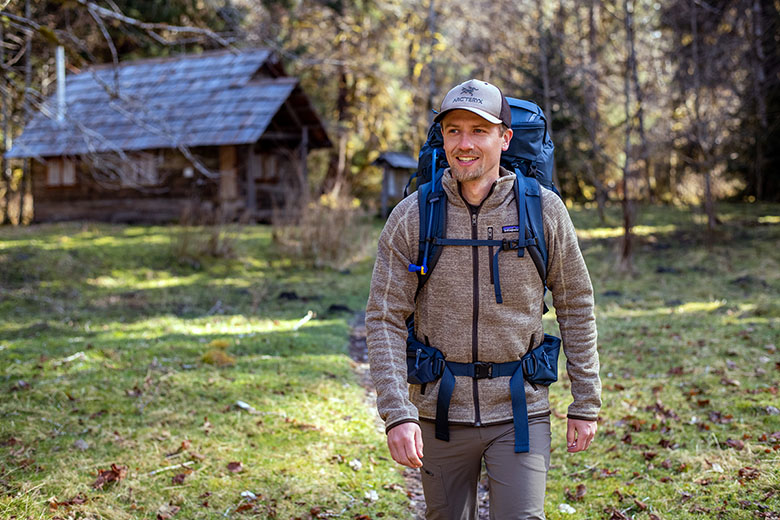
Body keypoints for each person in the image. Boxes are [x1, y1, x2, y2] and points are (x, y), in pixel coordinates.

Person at [365, 79, 601, 520]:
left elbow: (576, 304)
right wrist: (397, 413)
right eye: (453, 130)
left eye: (478, 130)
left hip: (519, 411)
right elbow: (384, 318)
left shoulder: (542, 211)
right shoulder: (414, 215)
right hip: (438, 413)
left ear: (505, 138)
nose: (464, 143)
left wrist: (585, 401)